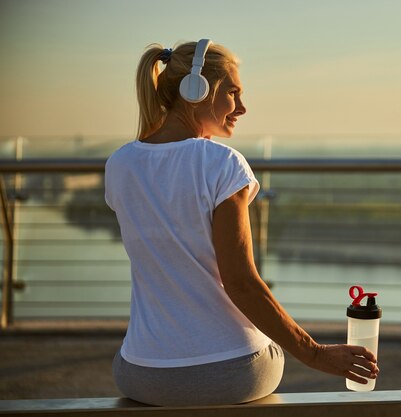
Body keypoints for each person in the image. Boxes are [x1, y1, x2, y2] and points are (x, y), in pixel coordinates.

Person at [105, 39, 379, 407]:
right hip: (228, 372)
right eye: (233, 93)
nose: (242, 108)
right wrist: (314, 353)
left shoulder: (120, 165)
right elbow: (242, 283)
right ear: (197, 90)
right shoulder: (221, 163)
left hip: (140, 373)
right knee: (271, 355)